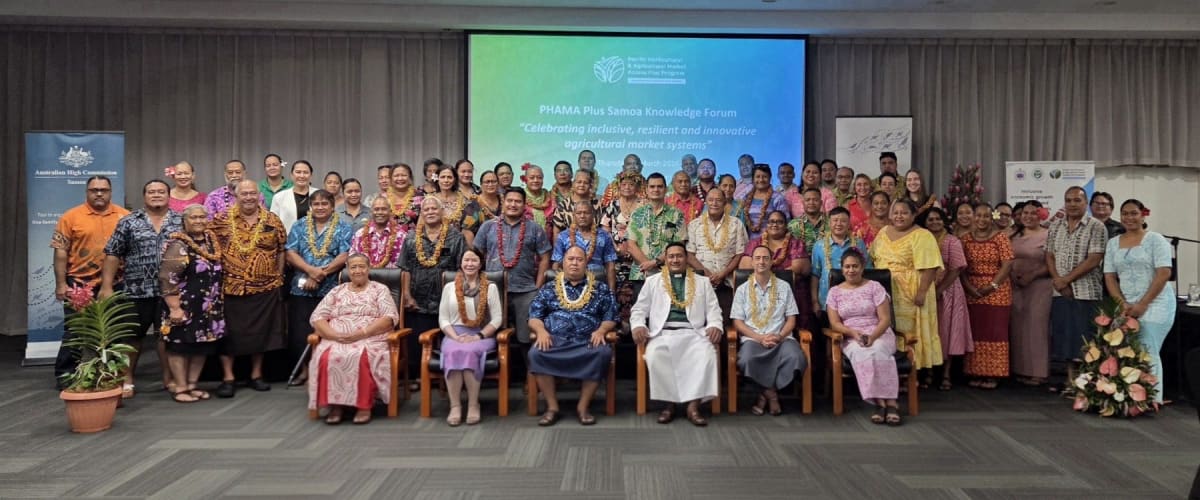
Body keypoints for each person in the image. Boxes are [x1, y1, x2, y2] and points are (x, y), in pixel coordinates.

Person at [100, 179, 182, 398]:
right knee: (132, 337)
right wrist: (106, 286)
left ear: (168, 195)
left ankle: (170, 378)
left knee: (166, 336)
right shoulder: (128, 222)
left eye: (161, 191)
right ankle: (127, 380)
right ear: (144, 196)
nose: (156, 195)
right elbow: (113, 253)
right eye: (151, 191)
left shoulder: (180, 221)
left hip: (171, 292)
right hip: (136, 290)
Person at [210, 179, 288, 397]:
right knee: (228, 334)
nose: (249, 197)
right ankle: (228, 377)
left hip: (265, 287)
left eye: (252, 193)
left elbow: (282, 249)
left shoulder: (272, 220)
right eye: (244, 193)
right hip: (230, 287)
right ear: (236, 195)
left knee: (259, 333)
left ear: (258, 195)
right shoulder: (220, 220)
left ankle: (256, 375)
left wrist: (279, 276)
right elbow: (208, 245)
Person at [631, 242, 722, 426]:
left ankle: (693, 406)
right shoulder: (653, 281)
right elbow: (639, 309)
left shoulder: (702, 282)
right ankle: (668, 405)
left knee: (707, 355)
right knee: (656, 355)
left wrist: (715, 325)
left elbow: (714, 310)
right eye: (671, 256)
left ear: (687, 259)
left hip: (694, 333)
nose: (675, 259)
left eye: (679, 256)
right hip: (662, 333)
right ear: (665, 259)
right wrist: (638, 325)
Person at [528, 246, 619, 426]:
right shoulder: (549, 288)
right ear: (562, 263)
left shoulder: (600, 288)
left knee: (602, 353)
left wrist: (601, 330)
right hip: (554, 339)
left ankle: (583, 407)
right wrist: (541, 332)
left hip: (587, 340)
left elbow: (612, 317)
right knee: (536, 353)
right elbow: (534, 316)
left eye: (579, 259)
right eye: (570, 259)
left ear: (586, 264)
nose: (575, 263)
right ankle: (552, 407)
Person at [52, 176, 131, 383]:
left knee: (114, 330)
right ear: (87, 192)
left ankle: (111, 375)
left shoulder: (125, 217)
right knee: (76, 330)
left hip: (116, 283)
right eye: (94, 190)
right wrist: (61, 284)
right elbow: (60, 253)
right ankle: (66, 374)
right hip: (79, 283)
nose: (99, 193)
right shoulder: (70, 217)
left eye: (103, 190)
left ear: (110, 192)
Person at [307, 253, 399, 425]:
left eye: (361, 266)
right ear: (348, 270)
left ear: (368, 268)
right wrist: (335, 336)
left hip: (369, 337)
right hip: (337, 337)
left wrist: (360, 333)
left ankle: (364, 406)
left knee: (361, 356)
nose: (358, 271)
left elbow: (389, 318)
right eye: (353, 267)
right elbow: (318, 317)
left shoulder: (379, 290)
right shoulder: (337, 291)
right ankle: (336, 405)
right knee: (327, 356)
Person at [1103, 199, 1174, 406]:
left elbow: (1163, 273)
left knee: (1147, 346)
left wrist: (1143, 304)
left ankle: (1152, 398)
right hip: (1126, 304)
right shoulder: (1113, 243)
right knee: (1127, 349)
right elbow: (1109, 276)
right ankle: (1130, 396)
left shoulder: (1155, 239)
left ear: (1143, 215)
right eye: (1125, 214)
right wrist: (1121, 303)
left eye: (1134, 213)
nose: (1129, 218)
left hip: (1156, 302)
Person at [825, 249, 902, 425]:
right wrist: (853, 333)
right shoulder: (835, 292)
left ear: (862, 268)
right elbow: (835, 323)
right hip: (851, 335)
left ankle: (890, 402)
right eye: (847, 267)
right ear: (842, 269)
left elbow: (885, 319)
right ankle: (879, 403)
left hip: (879, 332)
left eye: (855, 266)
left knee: (878, 350)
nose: (851, 270)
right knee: (861, 353)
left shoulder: (875, 287)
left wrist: (872, 337)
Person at [285, 189, 353, 385]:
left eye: (325, 204)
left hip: (331, 288)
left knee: (329, 331)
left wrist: (320, 274)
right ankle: (305, 371)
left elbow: (345, 254)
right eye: (316, 204)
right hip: (301, 288)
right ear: (311, 207)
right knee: (301, 332)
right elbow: (290, 253)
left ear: (333, 206)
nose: (320, 207)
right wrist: (310, 270)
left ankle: (325, 372)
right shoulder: (299, 226)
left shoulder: (343, 226)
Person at [158, 204, 225, 402]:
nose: (198, 221)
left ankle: (192, 385)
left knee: (201, 346)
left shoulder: (211, 242)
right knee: (179, 346)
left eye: (202, 217)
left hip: (208, 307)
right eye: (193, 218)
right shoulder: (178, 244)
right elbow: (166, 277)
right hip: (183, 305)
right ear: (184, 221)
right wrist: (174, 308)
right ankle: (180, 388)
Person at [731, 245, 806, 417]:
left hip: (781, 338)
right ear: (752, 262)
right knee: (746, 360)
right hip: (753, 339)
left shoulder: (784, 286)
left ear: (772, 262)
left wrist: (779, 336)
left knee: (796, 357)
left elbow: (791, 319)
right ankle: (772, 396)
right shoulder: (743, 290)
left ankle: (763, 396)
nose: (761, 261)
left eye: (765, 258)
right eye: (757, 258)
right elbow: (737, 322)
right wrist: (759, 338)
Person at [870, 199, 943, 371]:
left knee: (908, 331)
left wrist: (922, 292)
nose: (899, 216)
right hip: (885, 288)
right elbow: (873, 257)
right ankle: (889, 369)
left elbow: (931, 266)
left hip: (912, 290)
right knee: (887, 327)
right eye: (895, 212)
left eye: (904, 213)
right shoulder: (883, 231)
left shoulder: (923, 235)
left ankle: (910, 372)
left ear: (913, 215)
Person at [1046, 186, 1107, 393]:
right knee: (1065, 337)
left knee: (1085, 338)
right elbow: (1049, 255)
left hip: (1086, 292)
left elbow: (1094, 259)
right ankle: (1070, 381)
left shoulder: (1096, 226)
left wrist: (1067, 280)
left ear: (1086, 203)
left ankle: (1087, 383)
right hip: (1059, 291)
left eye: (1077, 200)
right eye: (1068, 200)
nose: (1072, 204)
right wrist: (1058, 280)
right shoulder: (1056, 226)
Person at [400, 197, 468, 383]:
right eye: (426, 209)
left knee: (447, 340)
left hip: (447, 301)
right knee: (418, 341)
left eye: (434, 209)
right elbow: (404, 269)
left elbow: (463, 269)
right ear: (422, 213)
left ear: (442, 212)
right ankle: (418, 377)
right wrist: (406, 295)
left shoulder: (456, 237)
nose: (430, 212)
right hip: (418, 300)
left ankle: (446, 376)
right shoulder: (411, 238)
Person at [475, 189, 552, 346]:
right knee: (491, 336)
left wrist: (537, 287)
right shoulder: (488, 227)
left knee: (527, 338)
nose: (513, 204)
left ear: (524, 205)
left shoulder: (535, 228)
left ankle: (529, 370)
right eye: (510, 200)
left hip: (525, 290)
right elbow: (476, 254)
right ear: (504, 203)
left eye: (518, 201)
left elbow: (545, 258)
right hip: (492, 289)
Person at [437, 248, 503, 426]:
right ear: (460, 263)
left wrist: (479, 336)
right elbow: (443, 318)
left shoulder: (491, 287)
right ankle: (455, 406)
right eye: (466, 260)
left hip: (481, 335)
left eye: (474, 260)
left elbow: (497, 319)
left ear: (481, 264)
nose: (470, 264)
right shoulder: (450, 287)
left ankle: (474, 405)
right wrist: (455, 337)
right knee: (454, 350)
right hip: (453, 334)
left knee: (469, 351)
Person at [917, 207, 972, 391]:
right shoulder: (921, 240)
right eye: (930, 220)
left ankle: (946, 374)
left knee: (948, 332)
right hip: (927, 289)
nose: (934, 223)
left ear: (944, 221)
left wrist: (940, 289)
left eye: (938, 219)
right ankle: (930, 373)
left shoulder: (952, 241)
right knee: (931, 331)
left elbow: (956, 269)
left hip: (949, 292)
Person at [961, 202, 1014, 390]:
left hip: (997, 292)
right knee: (975, 332)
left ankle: (993, 374)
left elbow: (1007, 265)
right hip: (972, 291)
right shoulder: (964, 239)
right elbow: (960, 268)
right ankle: (975, 371)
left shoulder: (1001, 238)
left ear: (992, 218)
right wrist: (969, 288)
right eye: (978, 216)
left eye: (986, 216)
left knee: (995, 332)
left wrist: (991, 286)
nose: (982, 220)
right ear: (973, 218)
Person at [741, 210, 812, 333]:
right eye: (771, 222)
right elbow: (745, 266)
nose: (775, 225)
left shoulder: (795, 244)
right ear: (766, 225)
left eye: (780, 222)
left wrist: (764, 272)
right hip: (759, 294)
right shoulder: (755, 243)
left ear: (786, 225)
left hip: (793, 294)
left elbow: (800, 267)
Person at [686, 188, 748, 323]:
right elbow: (690, 254)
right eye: (711, 200)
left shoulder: (736, 224)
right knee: (700, 321)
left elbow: (740, 253)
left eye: (719, 200)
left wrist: (722, 274)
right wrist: (707, 273)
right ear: (706, 202)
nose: (714, 203)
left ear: (725, 203)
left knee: (726, 321)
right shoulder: (694, 224)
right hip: (701, 282)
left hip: (727, 283)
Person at [1009, 200, 1051, 386]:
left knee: (1037, 328)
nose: (1028, 216)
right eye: (1025, 212)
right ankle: (1020, 369)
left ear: (1041, 215)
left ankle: (1038, 371)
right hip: (1015, 286)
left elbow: (1052, 263)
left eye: (1034, 213)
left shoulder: (1048, 235)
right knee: (1018, 328)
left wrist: (1032, 275)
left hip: (1039, 286)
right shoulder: (1013, 235)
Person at [599, 170, 645, 328]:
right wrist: (616, 248)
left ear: (637, 187)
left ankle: (637, 329)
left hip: (639, 258)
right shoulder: (612, 205)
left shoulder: (643, 205)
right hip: (616, 257)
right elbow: (605, 230)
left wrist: (634, 249)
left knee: (638, 295)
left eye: (631, 185)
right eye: (623, 184)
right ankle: (619, 329)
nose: (627, 187)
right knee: (617, 291)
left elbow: (647, 231)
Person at [626, 173, 686, 293]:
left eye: (659, 186)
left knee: (666, 311)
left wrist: (654, 263)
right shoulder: (637, 214)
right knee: (641, 311)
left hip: (668, 274)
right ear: (647, 190)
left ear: (666, 189)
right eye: (652, 187)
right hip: (641, 274)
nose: (656, 190)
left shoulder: (676, 215)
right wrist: (647, 265)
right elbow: (631, 245)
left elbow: (679, 246)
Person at [810, 207, 872, 312]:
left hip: (855, 298)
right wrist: (815, 301)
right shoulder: (819, 245)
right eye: (835, 220)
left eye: (843, 221)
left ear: (848, 224)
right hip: (827, 300)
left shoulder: (858, 243)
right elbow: (815, 275)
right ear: (829, 224)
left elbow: (868, 270)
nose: (839, 224)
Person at [552, 202, 618, 291]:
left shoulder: (604, 236)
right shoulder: (563, 236)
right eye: (579, 213)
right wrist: (556, 290)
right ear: (574, 215)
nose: (582, 216)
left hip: (598, 285)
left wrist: (611, 292)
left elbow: (610, 266)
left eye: (586, 213)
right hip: (570, 286)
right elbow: (557, 265)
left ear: (593, 215)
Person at [432, 165, 483, 246]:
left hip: (458, 246)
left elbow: (468, 233)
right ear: (437, 179)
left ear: (455, 180)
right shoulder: (429, 200)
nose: (446, 180)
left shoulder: (466, 202)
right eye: (443, 177)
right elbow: (421, 226)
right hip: (433, 245)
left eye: (449, 177)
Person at [351, 197, 407, 269]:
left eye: (384, 209)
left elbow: (405, 266)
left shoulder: (401, 235)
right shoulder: (359, 235)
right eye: (376, 209)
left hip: (392, 279)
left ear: (390, 211)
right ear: (371, 212)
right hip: (365, 278)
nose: (380, 212)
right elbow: (351, 261)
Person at [739, 164, 790, 241]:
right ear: (753, 179)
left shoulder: (778, 198)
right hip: (749, 243)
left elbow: (786, 222)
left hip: (771, 242)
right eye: (758, 177)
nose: (761, 180)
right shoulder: (746, 198)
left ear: (770, 178)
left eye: (765, 177)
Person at [551, 169, 600, 241]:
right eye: (579, 182)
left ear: (590, 185)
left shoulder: (597, 205)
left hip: (595, 245)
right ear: (573, 184)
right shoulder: (563, 206)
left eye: (585, 182)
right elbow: (557, 232)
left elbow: (603, 231)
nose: (582, 185)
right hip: (570, 247)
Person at [270, 160, 315, 234]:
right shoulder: (279, 197)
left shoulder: (319, 195)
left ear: (311, 175)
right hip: (288, 242)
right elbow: (273, 224)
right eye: (298, 172)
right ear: (291, 175)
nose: (302, 176)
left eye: (306, 172)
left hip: (315, 242)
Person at [787, 188, 829, 253]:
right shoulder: (792, 225)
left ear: (821, 203)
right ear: (803, 203)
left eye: (815, 200)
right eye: (807, 200)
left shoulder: (831, 223)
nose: (811, 203)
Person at [385, 163, 422, 233]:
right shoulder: (384, 199)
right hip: (388, 240)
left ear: (410, 177)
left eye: (404, 175)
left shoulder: (420, 197)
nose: (400, 178)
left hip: (414, 241)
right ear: (390, 178)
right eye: (396, 176)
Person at [523, 164, 557, 237]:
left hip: (549, 242)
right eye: (532, 178)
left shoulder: (550, 197)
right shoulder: (520, 197)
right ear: (525, 179)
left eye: (539, 178)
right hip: (525, 242)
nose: (536, 180)